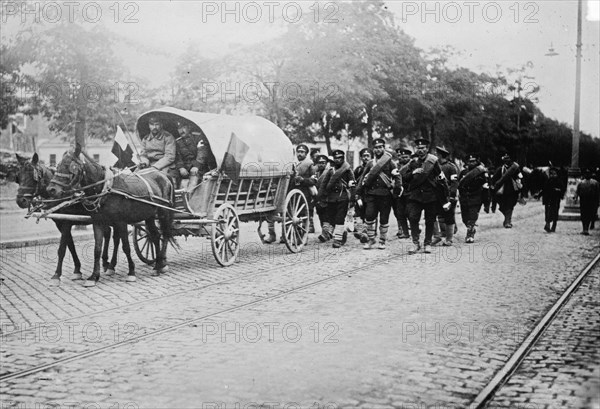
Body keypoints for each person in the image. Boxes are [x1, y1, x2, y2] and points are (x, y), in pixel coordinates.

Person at [357, 138, 401, 250]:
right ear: (373, 149)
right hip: (371, 194)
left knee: (384, 218)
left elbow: (397, 176)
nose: (378, 149)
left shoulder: (391, 162)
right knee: (369, 216)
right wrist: (358, 192)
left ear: (384, 148)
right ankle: (371, 239)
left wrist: (397, 188)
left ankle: (382, 241)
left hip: (385, 195)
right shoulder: (371, 163)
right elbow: (362, 178)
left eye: (380, 147)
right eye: (376, 147)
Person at [402, 138, 444, 253]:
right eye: (418, 148)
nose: (420, 150)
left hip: (430, 195)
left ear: (427, 149)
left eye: (423, 148)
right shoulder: (413, 162)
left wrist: (444, 196)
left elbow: (441, 178)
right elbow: (404, 178)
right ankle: (415, 243)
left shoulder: (433, 161)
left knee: (430, 220)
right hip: (415, 196)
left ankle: (427, 243)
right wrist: (413, 173)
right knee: (412, 217)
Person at [317, 150, 355, 248]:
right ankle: (343, 233)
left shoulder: (347, 170)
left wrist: (353, 198)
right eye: (336, 158)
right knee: (331, 218)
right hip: (331, 198)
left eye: (340, 158)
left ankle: (337, 240)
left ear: (343, 159)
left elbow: (352, 184)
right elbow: (324, 184)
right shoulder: (330, 171)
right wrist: (320, 197)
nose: (337, 160)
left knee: (339, 218)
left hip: (343, 197)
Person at [458, 154, 490, 243]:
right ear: (467, 162)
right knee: (465, 219)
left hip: (476, 198)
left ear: (476, 162)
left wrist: (486, 203)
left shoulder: (481, 173)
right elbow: (459, 186)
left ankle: (470, 235)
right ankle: (471, 229)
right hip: (464, 199)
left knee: (472, 217)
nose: (472, 163)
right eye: (470, 161)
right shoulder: (463, 173)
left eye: (474, 161)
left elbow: (486, 188)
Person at [434, 145, 459, 246]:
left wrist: (452, 195)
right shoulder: (434, 167)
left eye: (437, 155)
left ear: (440, 155)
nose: (436, 156)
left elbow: (454, 182)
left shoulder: (451, 167)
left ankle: (449, 238)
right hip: (436, 195)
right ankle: (437, 236)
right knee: (432, 215)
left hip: (447, 196)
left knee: (449, 217)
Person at [492, 154, 523, 228]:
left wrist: (520, 188)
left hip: (512, 190)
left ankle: (507, 222)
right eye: (505, 159)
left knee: (510, 205)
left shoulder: (515, 169)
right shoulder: (500, 169)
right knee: (502, 207)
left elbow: (520, 178)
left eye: (508, 159)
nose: (507, 161)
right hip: (502, 192)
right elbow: (494, 179)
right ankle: (507, 218)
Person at [174, 120, 205, 189]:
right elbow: (178, 157)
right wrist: (181, 168)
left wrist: (196, 166)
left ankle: (189, 197)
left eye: (184, 127)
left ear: (189, 127)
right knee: (173, 178)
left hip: (199, 168)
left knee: (193, 180)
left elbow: (202, 153)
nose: (181, 130)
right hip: (185, 168)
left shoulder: (198, 138)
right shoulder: (178, 142)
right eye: (179, 128)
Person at [353, 148, 373, 242]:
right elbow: (354, 181)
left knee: (369, 212)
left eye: (367, 156)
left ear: (371, 157)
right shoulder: (358, 169)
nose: (366, 158)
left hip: (371, 193)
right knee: (359, 211)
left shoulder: (374, 168)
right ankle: (361, 231)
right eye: (364, 156)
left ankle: (369, 231)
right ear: (361, 158)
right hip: (361, 194)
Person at [538, 166, 564, 233]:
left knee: (555, 213)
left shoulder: (559, 181)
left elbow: (562, 190)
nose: (553, 175)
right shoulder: (548, 181)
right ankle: (547, 225)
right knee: (547, 213)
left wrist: (557, 190)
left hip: (555, 200)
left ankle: (553, 226)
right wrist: (539, 195)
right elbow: (544, 189)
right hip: (548, 199)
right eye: (551, 174)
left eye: (554, 174)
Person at [394, 147, 412, 239]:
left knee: (411, 213)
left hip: (410, 192)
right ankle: (405, 232)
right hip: (400, 194)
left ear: (409, 157)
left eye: (406, 157)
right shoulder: (397, 166)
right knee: (400, 213)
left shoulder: (413, 165)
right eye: (402, 156)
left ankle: (414, 230)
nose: (403, 158)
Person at [575, 169, 600, 235]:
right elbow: (577, 192)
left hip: (591, 201)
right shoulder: (581, 183)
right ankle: (584, 228)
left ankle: (586, 228)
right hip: (583, 201)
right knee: (584, 215)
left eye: (588, 174)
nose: (587, 175)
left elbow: (597, 193)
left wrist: (597, 201)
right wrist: (576, 198)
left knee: (588, 215)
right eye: (586, 174)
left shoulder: (594, 183)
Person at [313, 154, 331, 235]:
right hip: (318, 198)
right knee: (320, 214)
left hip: (327, 198)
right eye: (319, 163)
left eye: (323, 162)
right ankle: (324, 232)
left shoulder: (329, 172)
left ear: (326, 163)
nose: (321, 164)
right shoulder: (315, 173)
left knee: (326, 215)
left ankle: (325, 233)